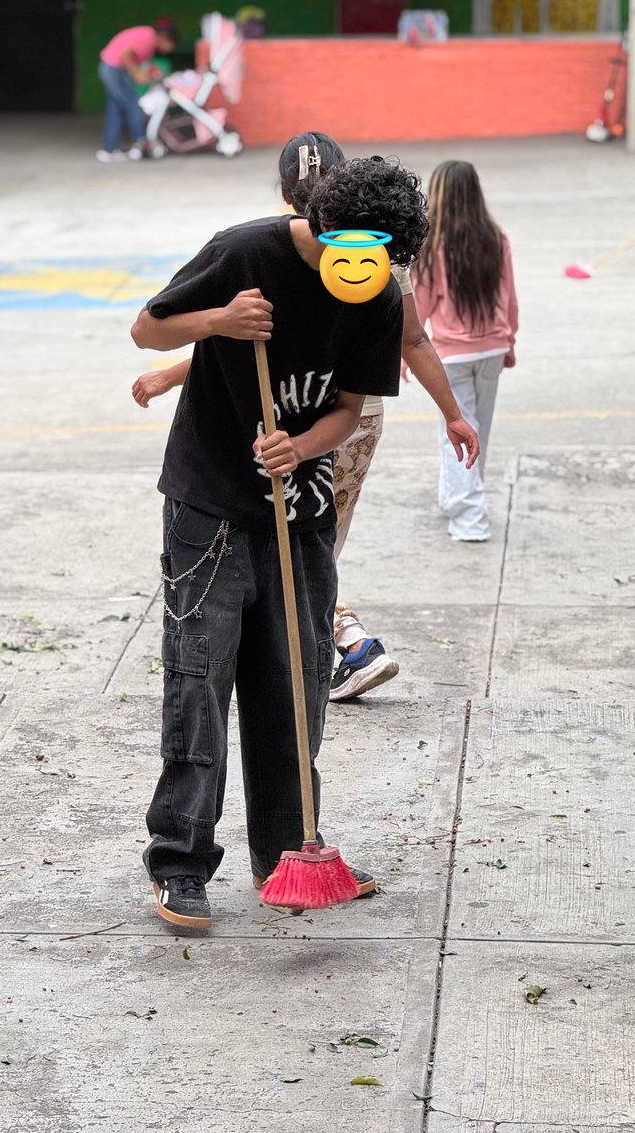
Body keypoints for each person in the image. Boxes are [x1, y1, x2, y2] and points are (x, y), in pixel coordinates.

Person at [130, 155, 430, 930]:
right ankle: (181, 860)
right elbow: (147, 327)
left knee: (294, 684)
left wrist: (301, 448)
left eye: (382, 262)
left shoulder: (378, 291)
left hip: (301, 514)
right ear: (325, 228)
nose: (361, 271)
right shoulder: (245, 252)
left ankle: (292, 850)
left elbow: (349, 410)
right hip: (209, 506)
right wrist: (220, 322)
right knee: (200, 681)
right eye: (353, 254)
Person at [132, 134, 479, 704]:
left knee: (312, 551)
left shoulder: (385, 275)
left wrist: (451, 414)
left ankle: (337, 641)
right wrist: (203, 341)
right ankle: (335, 642)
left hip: (345, 427)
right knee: (274, 561)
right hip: (248, 455)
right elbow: (230, 335)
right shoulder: (256, 252)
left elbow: (405, 345)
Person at [412, 160, 518, 542]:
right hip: (491, 349)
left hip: (451, 357)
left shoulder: (433, 245)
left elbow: (419, 305)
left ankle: (469, 517)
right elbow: (509, 298)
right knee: (479, 433)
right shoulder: (496, 237)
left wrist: (407, 354)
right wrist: (510, 340)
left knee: (455, 434)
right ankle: (458, 500)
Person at [96, 18, 178, 162]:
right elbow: (126, 54)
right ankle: (140, 143)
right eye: (171, 45)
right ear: (165, 38)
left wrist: (153, 74)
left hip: (116, 69)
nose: (168, 50)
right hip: (113, 68)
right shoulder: (149, 37)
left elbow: (145, 62)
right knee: (131, 104)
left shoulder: (150, 42)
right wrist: (137, 74)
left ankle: (109, 150)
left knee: (116, 109)